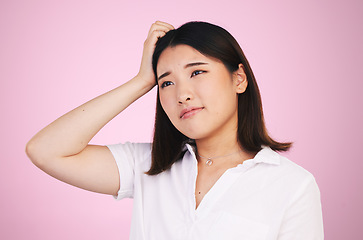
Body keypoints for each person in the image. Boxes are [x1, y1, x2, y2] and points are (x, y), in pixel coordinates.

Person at [26, 21, 324, 239]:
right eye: (167, 82)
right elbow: (45, 151)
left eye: (197, 72)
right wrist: (142, 81)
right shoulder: (148, 166)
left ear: (239, 79)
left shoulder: (292, 185)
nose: (182, 94)